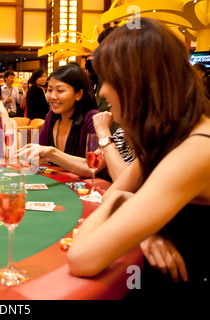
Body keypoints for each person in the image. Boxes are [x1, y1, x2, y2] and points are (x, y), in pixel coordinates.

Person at [66, 18, 210, 298]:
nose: (103, 91)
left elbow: (81, 258)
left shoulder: (195, 151)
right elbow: (110, 197)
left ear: (137, 83)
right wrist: (145, 229)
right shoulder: (175, 135)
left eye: (109, 79)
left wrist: (127, 203)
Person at [16, 63, 99, 177]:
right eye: (49, 90)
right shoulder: (51, 116)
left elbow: (92, 167)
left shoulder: (92, 118)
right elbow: (40, 155)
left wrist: (52, 154)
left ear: (78, 94)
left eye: (60, 91)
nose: (52, 96)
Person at [92, 111, 135, 181]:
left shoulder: (154, 137)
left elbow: (127, 183)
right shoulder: (122, 132)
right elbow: (92, 164)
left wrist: (103, 132)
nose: (107, 101)